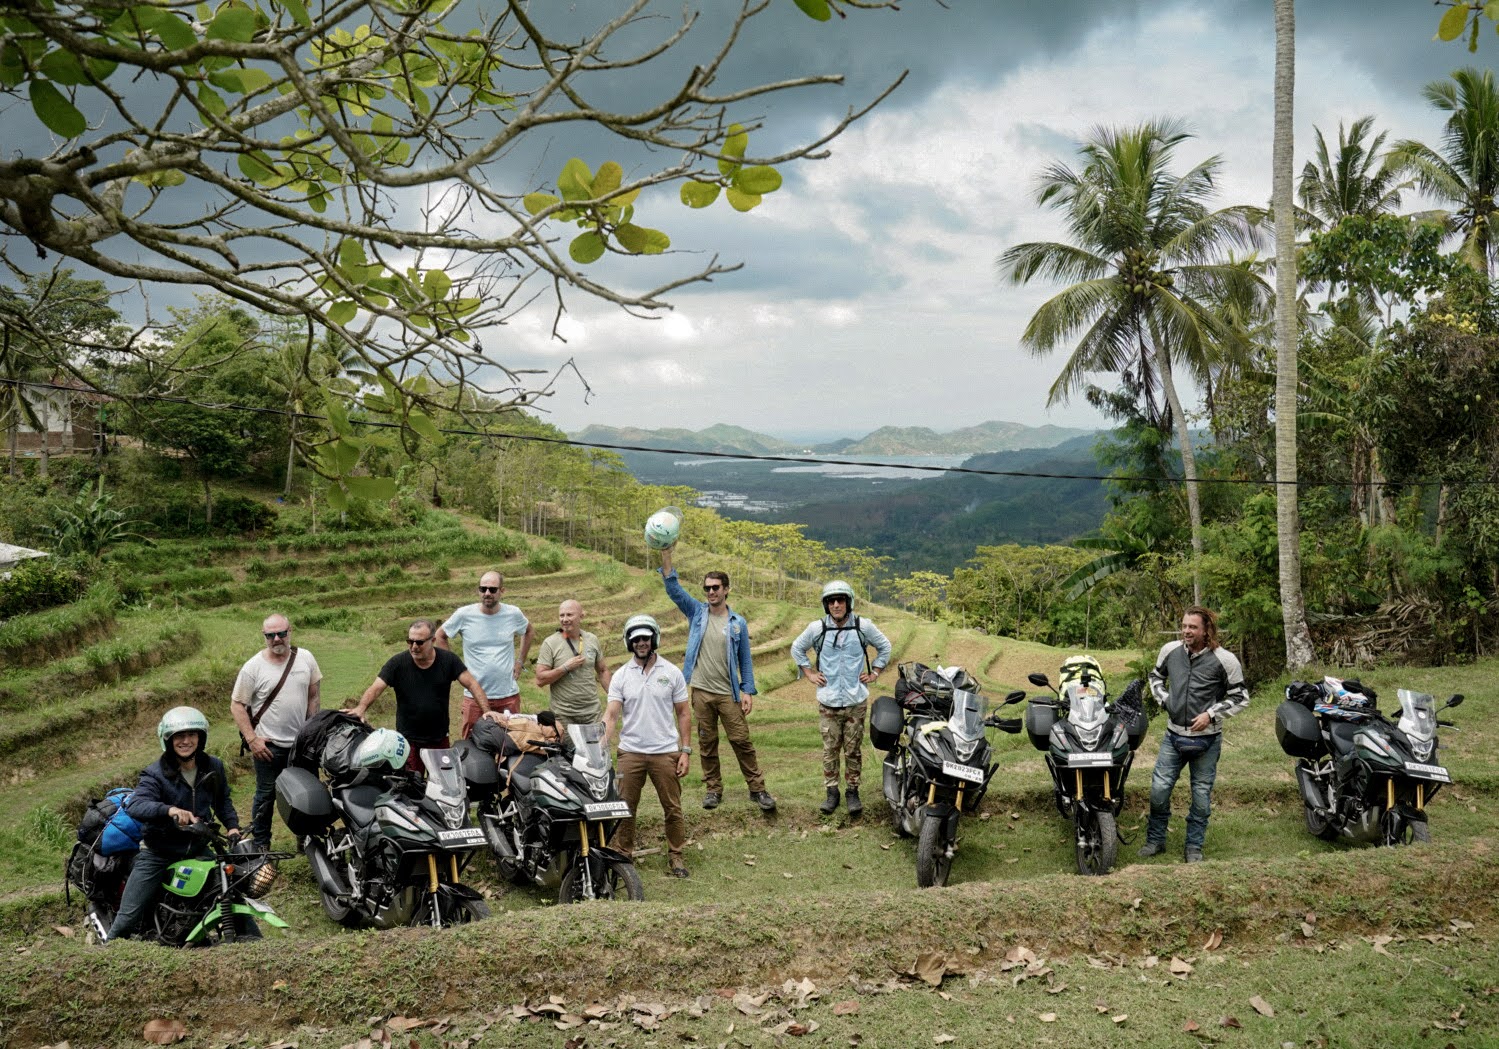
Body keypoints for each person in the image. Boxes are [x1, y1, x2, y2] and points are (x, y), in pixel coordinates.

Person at [107, 707, 242, 941]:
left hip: (198, 847)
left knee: (230, 892)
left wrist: (232, 826)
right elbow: (136, 805)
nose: (186, 741)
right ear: (168, 740)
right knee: (128, 916)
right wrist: (170, 810)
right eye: (179, 736)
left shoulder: (213, 766)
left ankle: (254, 944)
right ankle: (108, 952)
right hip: (159, 851)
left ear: (201, 737)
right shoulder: (155, 774)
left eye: (192, 734)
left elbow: (222, 800)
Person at [658, 544, 775, 812]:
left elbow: (745, 659)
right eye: (707, 588)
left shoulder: (737, 623)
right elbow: (674, 590)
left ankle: (757, 789)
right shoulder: (697, 613)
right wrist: (666, 555)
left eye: (715, 588)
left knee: (741, 741)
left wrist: (747, 691)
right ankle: (713, 789)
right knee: (707, 743)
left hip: (728, 693)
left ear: (726, 590)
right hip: (701, 691)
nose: (711, 592)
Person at [1138, 606, 1249, 863]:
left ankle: (1194, 847)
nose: (1186, 631)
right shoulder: (1170, 651)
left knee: (1201, 797)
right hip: (1173, 736)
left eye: (1193, 627)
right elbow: (1155, 677)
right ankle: (1155, 841)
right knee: (1158, 790)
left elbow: (1241, 697)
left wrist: (1211, 714)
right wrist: (1165, 700)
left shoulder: (1225, 660)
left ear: (1206, 629)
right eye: (1184, 626)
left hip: (1207, 740)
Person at [790, 580, 892, 817]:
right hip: (828, 700)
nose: (836, 605)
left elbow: (885, 646)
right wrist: (809, 673)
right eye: (832, 601)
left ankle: (853, 791)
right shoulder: (817, 629)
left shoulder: (862, 626)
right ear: (826, 605)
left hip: (856, 700)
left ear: (849, 602)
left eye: (841, 600)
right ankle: (832, 792)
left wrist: (875, 672)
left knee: (853, 749)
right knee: (830, 749)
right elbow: (797, 648)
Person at [603, 614, 692, 878]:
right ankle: (622, 855)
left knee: (672, 807)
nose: (642, 643)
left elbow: (684, 713)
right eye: (636, 639)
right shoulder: (621, 676)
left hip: (665, 751)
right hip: (631, 751)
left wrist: (685, 751)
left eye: (646, 638)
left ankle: (676, 856)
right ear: (629, 643)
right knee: (625, 807)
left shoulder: (671, 672)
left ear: (654, 639)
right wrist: (601, 745)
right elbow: (611, 714)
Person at [349, 619, 494, 771]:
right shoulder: (397, 663)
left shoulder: (449, 660)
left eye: (419, 642)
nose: (414, 647)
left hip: (439, 738)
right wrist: (361, 707)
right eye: (410, 642)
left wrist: (487, 711)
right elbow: (376, 687)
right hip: (407, 741)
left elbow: (472, 684)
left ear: (433, 640)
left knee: (443, 784)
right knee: (412, 787)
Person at [229, 613, 322, 850]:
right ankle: (261, 846)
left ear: (290, 631)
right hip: (268, 747)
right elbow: (237, 704)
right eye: (271, 635)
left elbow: (314, 693)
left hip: (301, 745)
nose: (277, 639)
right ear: (264, 637)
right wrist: (252, 739)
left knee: (308, 793)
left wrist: (310, 727)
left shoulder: (306, 658)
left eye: (281, 633)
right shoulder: (253, 667)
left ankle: (308, 840)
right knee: (265, 796)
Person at [436, 571, 534, 738]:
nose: (487, 593)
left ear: (502, 591)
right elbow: (440, 636)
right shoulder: (464, 614)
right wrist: (455, 669)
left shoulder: (513, 613)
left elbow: (529, 631)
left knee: (511, 744)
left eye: (492, 589)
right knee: (472, 745)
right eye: (483, 589)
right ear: (478, 591)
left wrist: (519, 661)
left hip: (507, 695)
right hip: (474, 697)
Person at [534, 599, 611, 729]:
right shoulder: (550, 643)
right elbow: (540, 679)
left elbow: (602, 671)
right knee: (569, 750)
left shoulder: (592, 639)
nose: (565, 619)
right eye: (561, 615)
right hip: (564, 715)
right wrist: (565, 668)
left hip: (592, 713)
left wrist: (615, 697)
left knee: (598, 749)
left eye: (569, 615)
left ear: (581, 616)